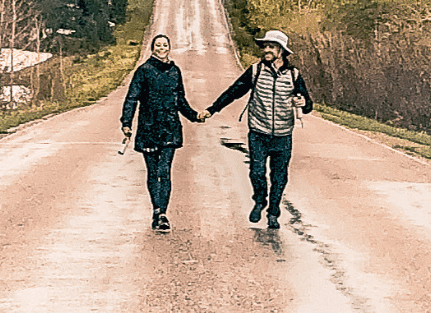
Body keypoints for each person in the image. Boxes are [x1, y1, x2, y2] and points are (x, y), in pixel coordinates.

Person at [205, 29, 313, 230]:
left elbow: (307, 105)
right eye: (265, 46)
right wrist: (213, 109)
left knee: (279, 177)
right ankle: (259, 200)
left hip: (283, 135)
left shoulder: (294, 75)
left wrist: (302, 102)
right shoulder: (255, 71)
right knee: (256, 172)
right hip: (258, 132)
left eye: (271, 46)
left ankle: (273, 213)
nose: (266, 50)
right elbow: (234, 92)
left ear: (281, 50)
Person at [121, 33, 205, 231]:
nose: (161, 48)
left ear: (169, 47)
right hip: (149, 128)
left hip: (170, 129)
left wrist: (194, 116)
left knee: (164, 171)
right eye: (158, 45)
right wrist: (126, 122)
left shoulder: (175, 72)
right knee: (152, 172)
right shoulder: (143, 71)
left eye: (164, 45)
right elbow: (132, 97)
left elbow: (180, 100)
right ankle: (156, 210)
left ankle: (163, 214)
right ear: (152, 48)